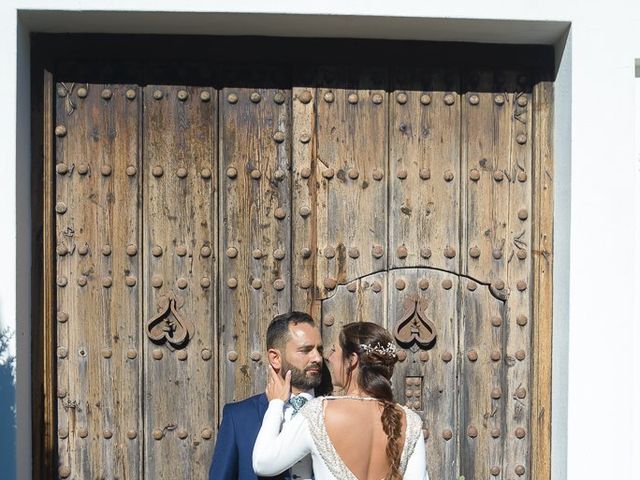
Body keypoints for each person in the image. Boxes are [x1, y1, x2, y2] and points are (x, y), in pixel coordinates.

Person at [253, 321, 428, 480]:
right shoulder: (410, 421)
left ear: (352, 360)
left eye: (334, 350)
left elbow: (263, 463)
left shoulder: (319, 413)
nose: (327, 357)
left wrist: (276, 404)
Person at [210, 311, 324, 480]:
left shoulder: (337, 412)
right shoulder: (239, 417)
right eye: (305, 350)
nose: (317, 358)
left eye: (319, 350)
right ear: (275, 358)